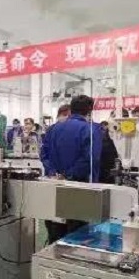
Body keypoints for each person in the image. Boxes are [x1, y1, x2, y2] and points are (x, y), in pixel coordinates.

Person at [41, 95, 102, 243]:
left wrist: (53, 172)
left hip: (54, 187)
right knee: (77, 236)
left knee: (55, 231)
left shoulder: (53, 129)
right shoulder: (90, 129)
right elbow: (91, 159)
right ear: (89, 111)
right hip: (79, 189)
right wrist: (69, 175)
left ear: (71, 109)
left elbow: (44, 154)